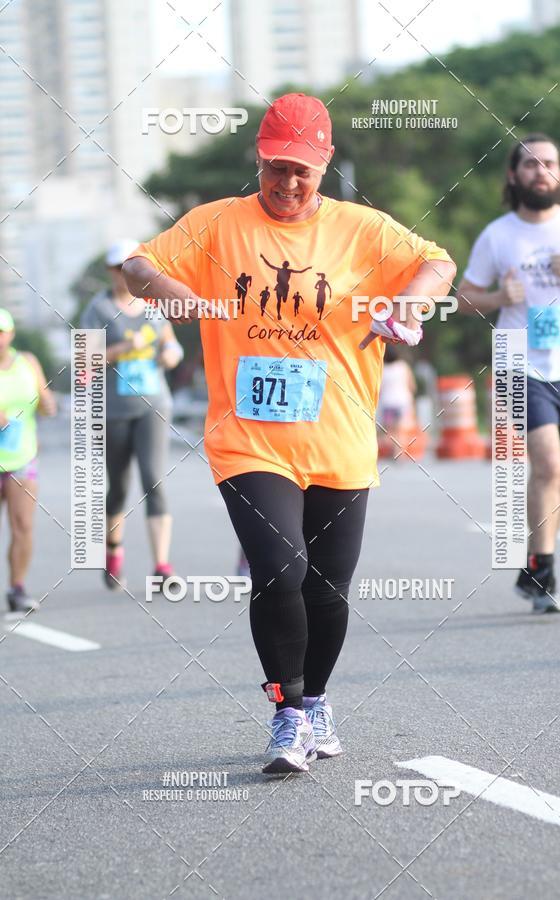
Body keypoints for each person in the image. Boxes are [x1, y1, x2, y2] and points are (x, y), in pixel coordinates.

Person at [122, 93, 455, 773]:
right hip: (249, 439)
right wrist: (173, 293)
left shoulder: (362, 229)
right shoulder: (217, 224)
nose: (288, 182)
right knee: (280, 572)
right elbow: (135, 265)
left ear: (324, 165)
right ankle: (286, 710)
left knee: (327, 589)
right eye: (276, 167)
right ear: (259, 159)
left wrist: (410, 301)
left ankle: (318, 700)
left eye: (302, 170)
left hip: (339, 439)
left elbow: (438, 261)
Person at [457, 134, 560, 614]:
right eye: (531, 164)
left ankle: (536, 564)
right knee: (546, 464)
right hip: (520, 361)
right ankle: (546, 569)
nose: (541, 171)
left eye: (550, 163)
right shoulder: (498, 235)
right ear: (514, 175)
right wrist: (500, 299)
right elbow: (464, 296)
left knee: (559, 477)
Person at [80, 240, 183, 590]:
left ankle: (162, 566)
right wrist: (123, 348)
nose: (124, 274)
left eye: (129, 266)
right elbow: (84, 362)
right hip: (115, 410)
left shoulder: (153, 306)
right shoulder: (99, 309)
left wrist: (171, 353)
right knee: (120, 485)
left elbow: (171, 343)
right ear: (110, 272)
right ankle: (113, 552)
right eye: (117, 268)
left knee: (154, 479)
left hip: (154, 404)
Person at [0, 308, 57, 614]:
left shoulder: (28, 363)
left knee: (22, 525)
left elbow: (46, 402)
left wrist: (48, 403)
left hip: (22, 456)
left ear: (10, 334)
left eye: (1, 332)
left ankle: (17, 588)